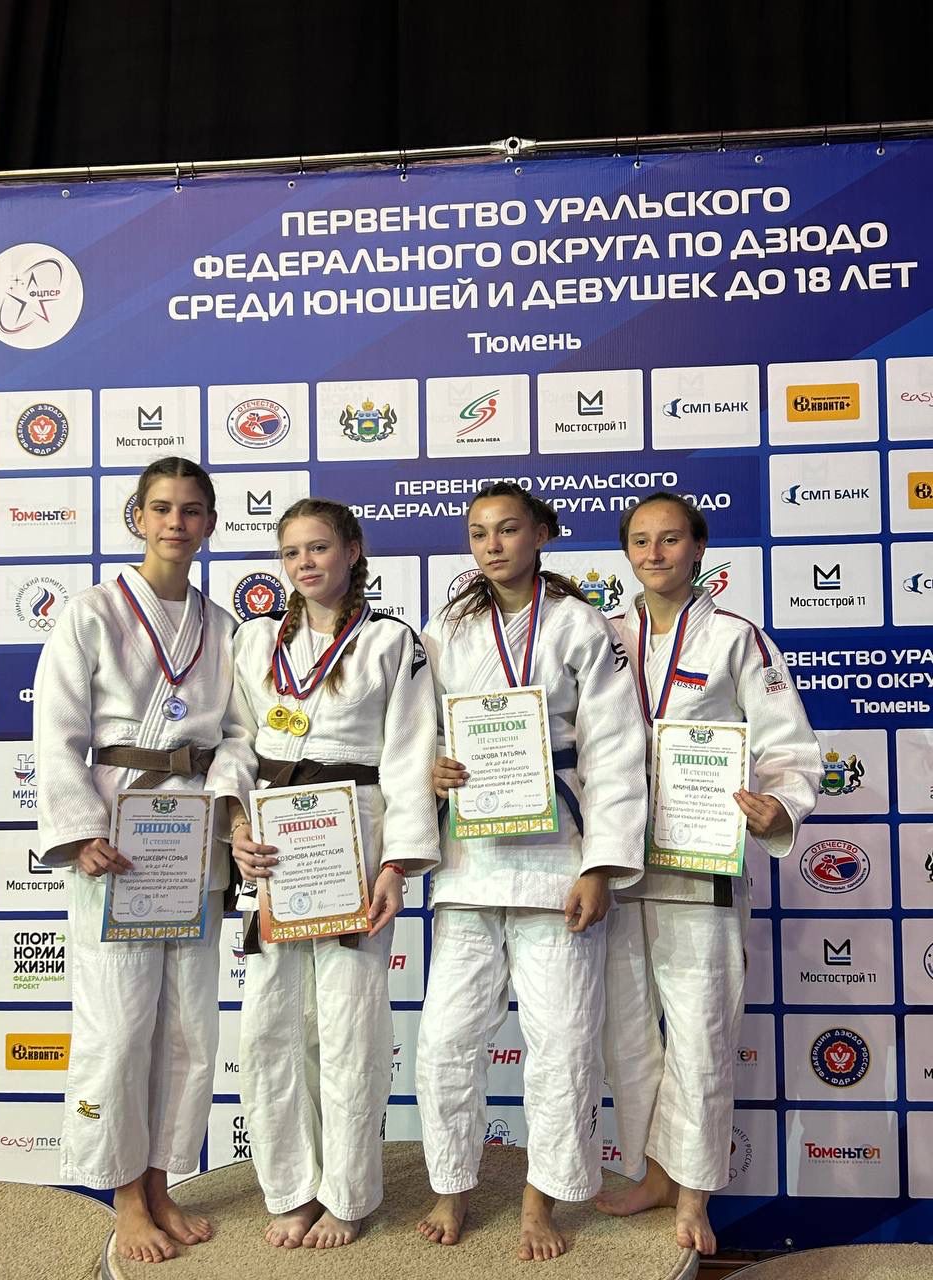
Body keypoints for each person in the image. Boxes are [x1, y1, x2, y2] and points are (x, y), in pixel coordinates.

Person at [414, 482, 649, 1262]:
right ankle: (451, 1184)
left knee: (565, 1041)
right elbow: (413, 727)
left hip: (557, 859)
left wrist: (601, 866)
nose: (493, 544)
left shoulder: (581, 625)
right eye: (479, 532)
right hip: (470, 859)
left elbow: (615, 748)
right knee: (445, 1039)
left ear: (541, 534)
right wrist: (432, 767)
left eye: (508, 529)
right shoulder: (447, 629)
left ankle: (539, 1198)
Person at [34, 457, 254, 1264]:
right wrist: (78, 828)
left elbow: (240, 736)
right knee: (121, 1025)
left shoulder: (223, 627)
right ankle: (125, 1196)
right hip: (118, 835)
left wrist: (226, 804)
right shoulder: (91, 612)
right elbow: (57, 730)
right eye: (161, 508)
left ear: (210, 523)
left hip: (191, 835)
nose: (175, 522)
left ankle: (161, 1183)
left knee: (189, 1026)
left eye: (192, 510)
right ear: (137, 517)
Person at [597, 492, 822, 1255]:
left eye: (670, 540)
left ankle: (694, 1194)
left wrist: (779, 805)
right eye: (640, 541)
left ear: (699, 549)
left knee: (700, 1032)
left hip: (702, 863)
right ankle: (655, 1173)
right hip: (618, 862)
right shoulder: (603, 636)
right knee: (628, 1034)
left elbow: (786, 744)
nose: (654, 553)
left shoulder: (736, 638)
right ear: (626, 552)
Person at [227, 497, 439, 1251]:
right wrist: (236, 825)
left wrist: (397, 863)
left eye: (318, 547)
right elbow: (235, 741)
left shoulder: (390, 641)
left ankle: (346, 1193)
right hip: (275, 841)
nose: (305, 563)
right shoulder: (254, 640)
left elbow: (410, 755)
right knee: (270, 1025)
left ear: (352, 550)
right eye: (291, 552)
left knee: (351, 1023)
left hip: (354, 834)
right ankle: (290, 1187)